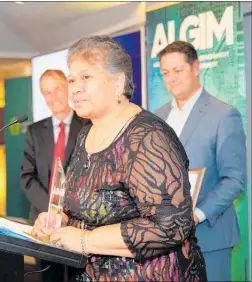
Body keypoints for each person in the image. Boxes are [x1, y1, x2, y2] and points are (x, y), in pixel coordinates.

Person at [32, 35, 207, 281]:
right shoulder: (86, 133)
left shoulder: (147, 136)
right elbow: (90, 206)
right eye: (71, 79)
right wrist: (59, 221)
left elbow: (171, 226)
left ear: (117, 83)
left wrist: (86, 240)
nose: (75, 88)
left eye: (86, 77)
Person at [154, 40, 246, 281]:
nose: (171, 78)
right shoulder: (157, 117)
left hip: (209, 236)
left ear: (195, 67)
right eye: (165, 73)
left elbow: (235, 179)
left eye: (178, 70)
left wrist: (196, 214)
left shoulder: (224, 115)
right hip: (164, 241)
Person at [20, 69, 85, 281]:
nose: (53, 97)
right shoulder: (34, 131)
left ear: (67, 87)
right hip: (44, 223)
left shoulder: (88, 126)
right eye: (46, 93)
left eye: (56, 89)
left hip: (78, 222)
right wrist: (52, 210)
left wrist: (66, 211)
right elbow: (27, 177)